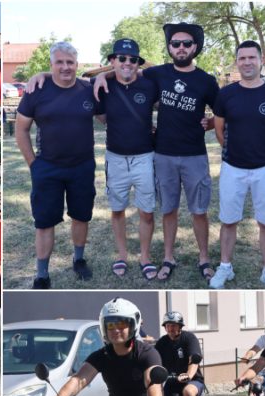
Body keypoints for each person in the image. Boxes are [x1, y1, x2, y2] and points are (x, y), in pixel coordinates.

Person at [94, 23, 220, 283]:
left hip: (195, 154)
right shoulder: (157, 75)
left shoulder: (206, 81)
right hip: (162, 154)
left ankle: (204, 258)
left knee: (199, 210)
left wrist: (210, 124)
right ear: (169, 47)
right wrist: (100, 75)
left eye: (186, 43)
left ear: (195, 47)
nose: (181, 48)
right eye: (176, 43)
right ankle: (168, 257)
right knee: (169, 210)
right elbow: (123, 72)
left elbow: (221, 111)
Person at [15, 41, 96, 289]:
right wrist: (33, 165)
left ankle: (79, 259)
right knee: (44, 222)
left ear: (77, 65)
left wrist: (105, 78)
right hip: (47, 168)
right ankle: (42, 274)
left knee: (81, 216)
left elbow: (125, 73)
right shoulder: (36, 90)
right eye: (59, 62)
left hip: (82, 166)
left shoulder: (87, 89)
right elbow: (21, 129)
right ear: (51, 65)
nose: (65, 67)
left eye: (70, 62)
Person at [210, 41, 265, 290]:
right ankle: (225, 267)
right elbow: (219, 130)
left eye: (251, 58)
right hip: (233, 167)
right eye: (242, 58)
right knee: (228, 220)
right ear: (237, 61)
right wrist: (235, 152)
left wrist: (264, 151)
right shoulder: (226, 94)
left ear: (261, 60)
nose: (246, 62)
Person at [92, 39, 159, 280]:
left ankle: (145, 257)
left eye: (132, 60)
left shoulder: (150, 86)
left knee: (147, 212)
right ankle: (121, 255)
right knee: (117, 209)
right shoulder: (100, 86)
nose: (127, 63)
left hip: (144, 157)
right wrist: (103, 76)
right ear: (112, 61)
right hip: (116, 158)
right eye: (121, 58)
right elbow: (101, 116)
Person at [154, 311, 205, 396]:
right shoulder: (162, 343)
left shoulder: (189, 338)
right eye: (168, 325)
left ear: (180, 327)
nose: (171, 328)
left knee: (188, 392)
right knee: (154, 395)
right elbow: (153, 362)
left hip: (192, 381)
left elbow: (194, 359)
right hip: (171, 381)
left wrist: (188, 374)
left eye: (174, 325)